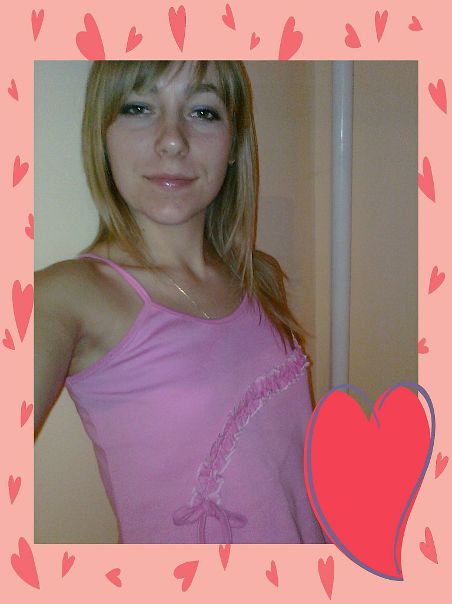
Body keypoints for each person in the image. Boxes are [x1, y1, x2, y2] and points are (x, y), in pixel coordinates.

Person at [35, 60, 324, 544]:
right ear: (101, 135)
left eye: (203, 112)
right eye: (139, 107)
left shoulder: (260, 276)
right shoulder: (68, 297)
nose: (172, 140)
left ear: (233, 145)